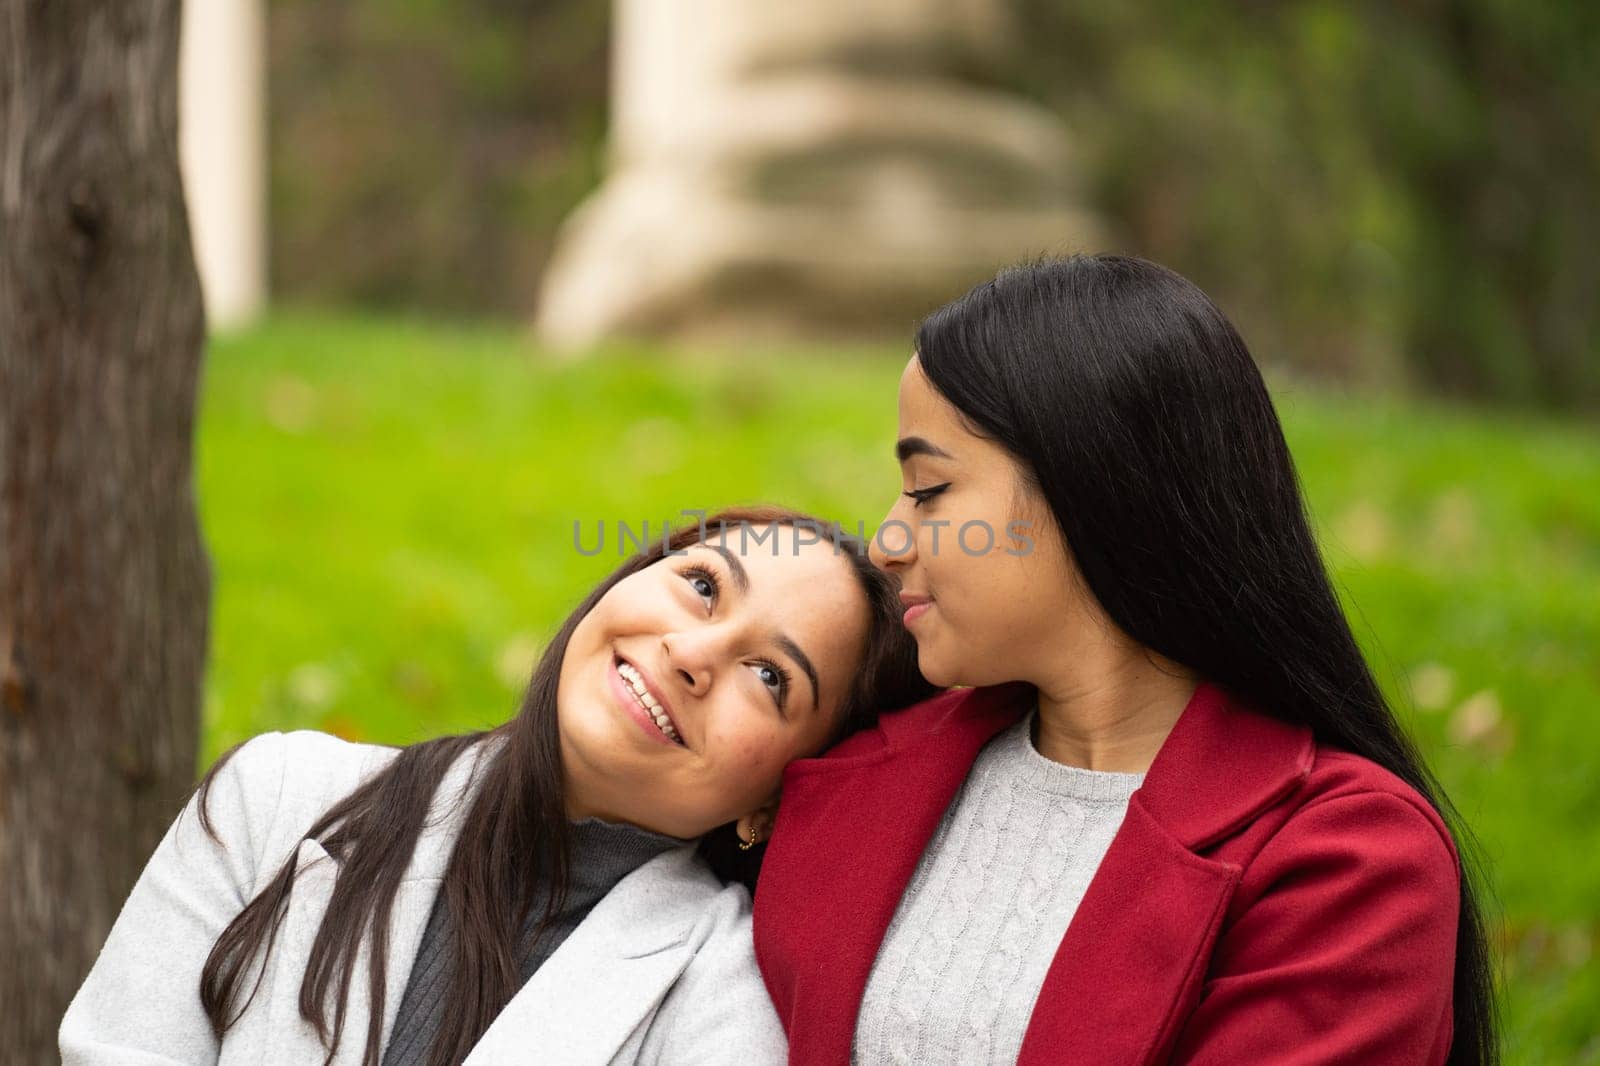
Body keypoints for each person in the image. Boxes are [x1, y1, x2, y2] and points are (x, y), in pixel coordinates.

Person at [754, 256, 1498, 1065]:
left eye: (929, 490)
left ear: (1092, 483)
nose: (888, 541)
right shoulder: (851, 764)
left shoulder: (1348, 863)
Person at [60, 505, 934, 1066]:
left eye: (771, 677)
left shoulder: (722, 1002)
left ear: (774, 799)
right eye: (701, 586)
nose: (693, 654)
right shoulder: (277, 798)